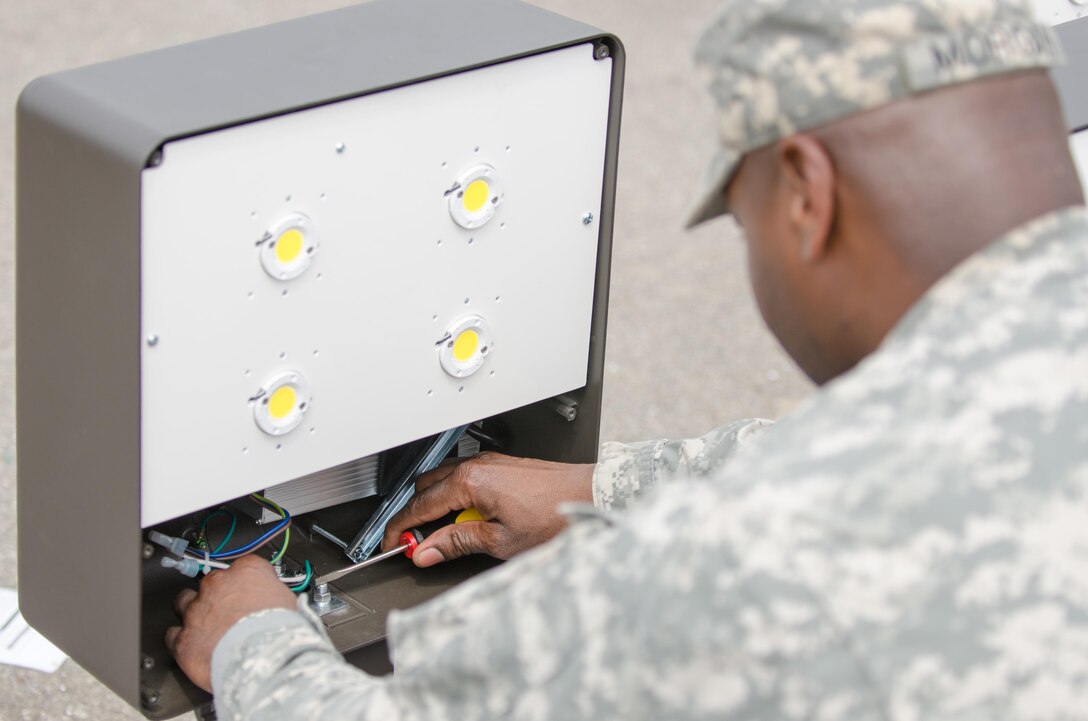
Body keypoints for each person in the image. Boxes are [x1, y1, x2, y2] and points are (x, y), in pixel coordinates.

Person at [166, 0, 1088, 718]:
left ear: (807, 193)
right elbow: (902, 445)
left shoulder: (740, 570)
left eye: (745, 216)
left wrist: (258, 647)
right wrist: (603, 489)